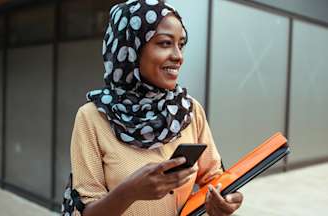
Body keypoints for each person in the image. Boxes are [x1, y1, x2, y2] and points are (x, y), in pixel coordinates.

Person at [63, 0, 243, 215]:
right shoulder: (93, 117)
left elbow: (215, 176)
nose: (178, 56)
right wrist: (130, 192)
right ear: (130, 49)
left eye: (181, 44)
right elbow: (86, 211)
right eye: (165, 43)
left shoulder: (188, 110)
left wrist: (228, 196)